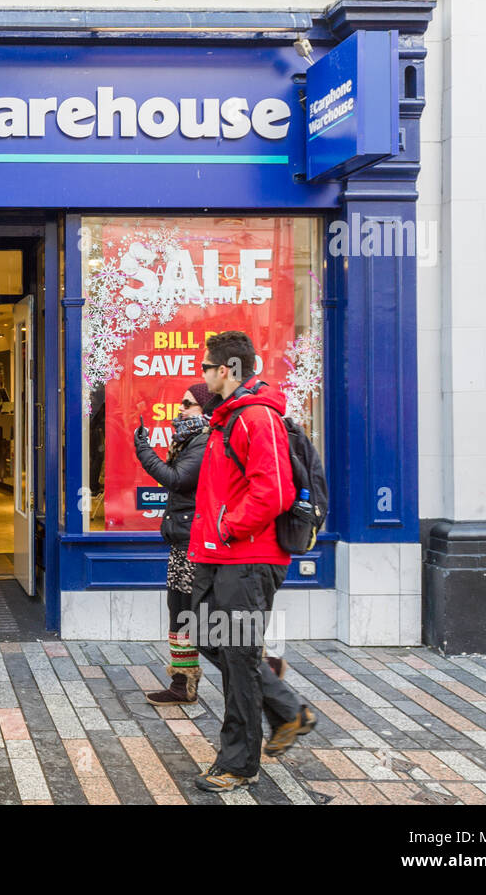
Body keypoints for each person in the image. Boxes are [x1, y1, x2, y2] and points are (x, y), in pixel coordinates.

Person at [188, 330, 317, 793]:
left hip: (247, 557)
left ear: (226, 370)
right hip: (221, 556)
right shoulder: (229, 417)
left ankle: (238, 764)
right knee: (204, 634)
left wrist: (227, 527)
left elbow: (275, 491)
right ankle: (287, 709)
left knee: (239, 658)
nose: (201, 375)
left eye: (205, 367)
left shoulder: (254, 417)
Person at [134, 381, 218, 705]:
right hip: (183, 539)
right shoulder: (190, 440)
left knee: (197, 616)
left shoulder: (204, 440)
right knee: (180, 612)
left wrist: (143, 452)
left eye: (188, 403)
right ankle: (183, 685)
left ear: (205, 409)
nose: (180, 409)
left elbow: (177, 479)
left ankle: (253, 682)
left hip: (195, 541)